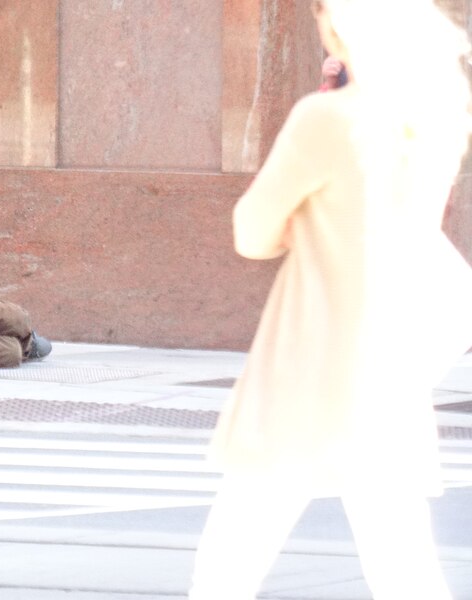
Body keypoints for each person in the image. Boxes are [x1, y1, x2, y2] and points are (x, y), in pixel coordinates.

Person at [188, 1, 472, 598]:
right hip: (389, 360)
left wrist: (302, 225)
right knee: (403, 561)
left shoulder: (327, 117)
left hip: (309, 353)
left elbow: (252, 229)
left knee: (234, 553)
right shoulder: (439, 117)